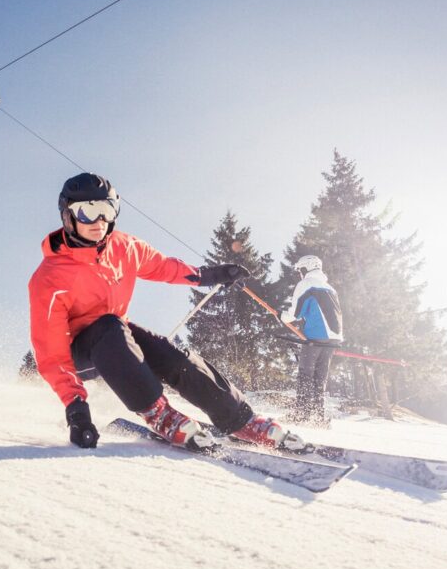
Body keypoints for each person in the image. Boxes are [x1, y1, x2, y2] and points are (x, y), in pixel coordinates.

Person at [29, 172, 305, 451]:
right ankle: (158, 412)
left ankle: (240, 419)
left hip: (116, 339)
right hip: (81, 354)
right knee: (110, 326)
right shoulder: (49, 277)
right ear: (67, 215)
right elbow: (51, 354)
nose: (99, 221)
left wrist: (210, 275)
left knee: (170, 354)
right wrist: (76, 407)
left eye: (107, 210)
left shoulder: (124, 247)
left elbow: (164, 267)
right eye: (87, 212)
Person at [281, 255, 343, 424]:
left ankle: (302, 415)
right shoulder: (330, 288)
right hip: (333, 338)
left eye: (301, 270)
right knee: (319, 378)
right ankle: (318, 417)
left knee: (305, 375)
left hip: (316, 337)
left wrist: (283, 316)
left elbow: (295, 313)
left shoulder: (306, 284)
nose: (300, 274)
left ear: (306, 268)